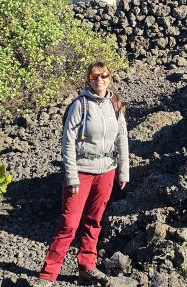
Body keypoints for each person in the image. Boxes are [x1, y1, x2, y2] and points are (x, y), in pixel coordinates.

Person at [39, 61, 129, 284]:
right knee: (69, 224)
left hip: (107, 171)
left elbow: (122, 139)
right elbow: (67, 142)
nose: (99, 80)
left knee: (94, 221)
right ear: (88, 79)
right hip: (81, 172)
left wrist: (123, 172)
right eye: (94, 76)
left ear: (110, 78)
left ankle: (86, 266)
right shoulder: (80, 105)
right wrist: (71, 175)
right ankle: (48, 275)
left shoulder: (116, 104)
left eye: (104, 75)